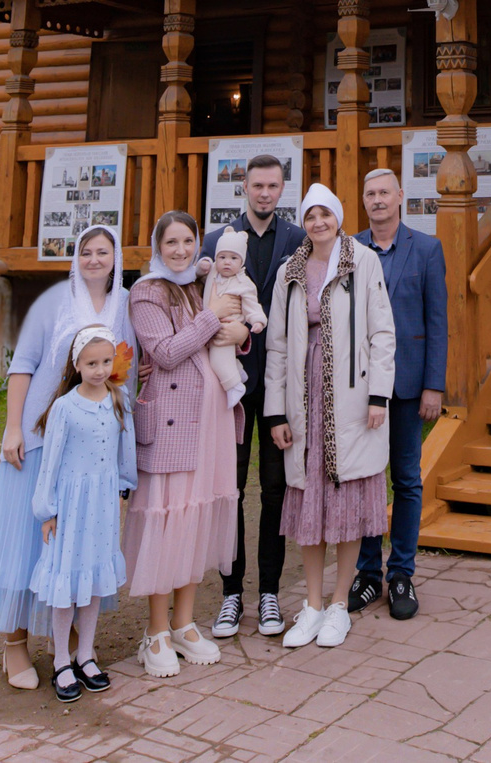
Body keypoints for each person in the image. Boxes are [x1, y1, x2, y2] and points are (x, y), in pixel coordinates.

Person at [0, 222, 124, 688]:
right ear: (75, 258)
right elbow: (23, 365)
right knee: (28, 541)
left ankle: (73, 648)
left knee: (78, 543)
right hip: (41, 439)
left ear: (116, 258)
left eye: (104, 251)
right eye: (86, 251)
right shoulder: (54, 302)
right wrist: (14, 426)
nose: (95, 259)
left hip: (89, 451)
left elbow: (123, 373)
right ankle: (15, 644)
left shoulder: (123, 306)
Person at [262, 184, 396, 650]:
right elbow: (276, 345)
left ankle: (340, 604)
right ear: (304, 221)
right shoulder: (289, 272)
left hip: (352, 396)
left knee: (347, 499)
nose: (319, 223)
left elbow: (382, 331)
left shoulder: (362, 261)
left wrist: (379, 396)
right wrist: (276, 409)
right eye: (311, 215)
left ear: (338, 217)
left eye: (326, 214)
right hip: (304, 394)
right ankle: (313, 605)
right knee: (310, 500)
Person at [124, 210, 244, 678]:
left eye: (188, 240)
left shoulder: (198, 284)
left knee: (198, 517)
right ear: (157, 246)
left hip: (210, 421)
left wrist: (237, 333)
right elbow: (166, 353)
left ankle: (183, 621)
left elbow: (226, 335)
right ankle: (154, 630)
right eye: (170, 242)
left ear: (198, 243)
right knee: (169, 521)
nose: (180, 250)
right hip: (172, 424)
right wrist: (213, 319)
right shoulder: (146, 291)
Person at [202, 155, 303, 639]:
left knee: (276, 489)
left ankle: (268, 592)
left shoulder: (298, 241)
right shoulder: (217, 242)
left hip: (281, 384)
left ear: (283, 189)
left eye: (273, 185)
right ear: (243, 186)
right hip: (233, 385)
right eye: (257, 185)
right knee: (232, 489)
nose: (264, 193)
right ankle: (230, 593)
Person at [347, 168, 446, 619]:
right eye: (371, 194)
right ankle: (367, 574)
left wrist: (434, 384)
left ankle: (401, 572)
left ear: (401, 196)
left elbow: (437, 321)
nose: (378, 200)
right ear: (364, 201)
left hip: (408, 386)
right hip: (362, 387)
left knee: (406, 479)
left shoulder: (426, 249)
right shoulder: (350, 249)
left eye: (385, 192)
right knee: (367, 479)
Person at [28, 324, 135, 702]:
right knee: (67, 584)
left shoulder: (118, 399)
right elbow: (51, 462)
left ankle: (86, 653)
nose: (100, 370)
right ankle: (60, 659)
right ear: (77, 365)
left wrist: (125, 482)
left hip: (102, 504)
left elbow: (126, 445)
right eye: (91, 363)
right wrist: (47, 510)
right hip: (72, 506)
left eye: (106, 361)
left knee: (91, 582)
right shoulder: (64, 407)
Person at [198, 229, 267, 401]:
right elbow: (200, 272)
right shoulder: (214, 272)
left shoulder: (244, 283)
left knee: (217, 359)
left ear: (242, 261)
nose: (227, 262)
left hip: (227, 327)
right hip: (210, 324)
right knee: (221, 358)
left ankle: (233, 386)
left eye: (233, 258)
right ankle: (238, 372)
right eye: (222, 257)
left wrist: (257, 321)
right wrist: (203, 265)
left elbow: (252, 305)